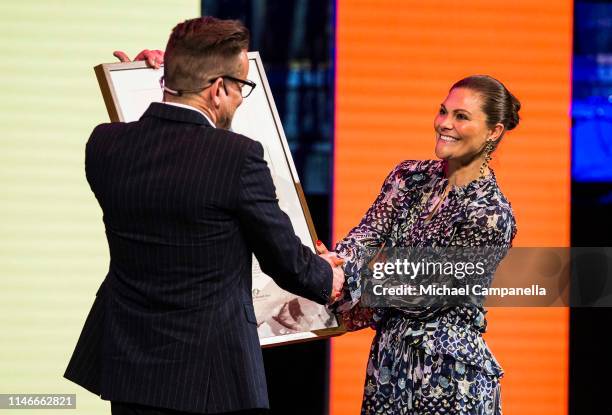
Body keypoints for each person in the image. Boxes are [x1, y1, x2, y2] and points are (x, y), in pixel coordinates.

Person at [64, 16, 344, 415]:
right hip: (208, 377)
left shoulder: (105, 145)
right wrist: (328, 276)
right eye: (241, 88)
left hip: (127, 365)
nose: (240, 100)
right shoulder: (238, 156)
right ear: (217, 90)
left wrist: (137, 86)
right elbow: (285, 261)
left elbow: (161, 171)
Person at [319, 75, 520, 414]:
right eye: (443, 111)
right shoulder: (409, 176)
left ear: (493, 132)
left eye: (461, 116)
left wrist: (342, 284)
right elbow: (366, 235)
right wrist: (334, 264)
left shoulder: (492, 215)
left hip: (449, 375)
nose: (444, 124)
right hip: (389, 362)